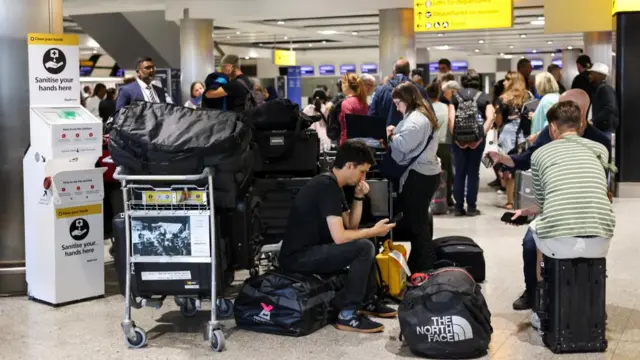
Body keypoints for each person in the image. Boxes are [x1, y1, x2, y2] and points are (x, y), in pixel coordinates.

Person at [486, 89, 611, 311]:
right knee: (529, 244)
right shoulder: (564, 139)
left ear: (581, 112)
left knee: (541, 239)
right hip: (590, 224)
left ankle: (544, 305)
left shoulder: (597, 141)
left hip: (578, 214)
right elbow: (527, 160)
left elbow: (599, 187)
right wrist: (503, 158)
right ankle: (534, 292)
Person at [511, 100, 615, 329]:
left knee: (536, 234)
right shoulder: (600, 149)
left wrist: (528, 212)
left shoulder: (540, 155)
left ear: (552, 128)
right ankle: (592, 308)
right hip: (601, 239)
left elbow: (545, 204)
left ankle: (541, 307)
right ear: (580, 124)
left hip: (560, 243)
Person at [278, 140, 397, 334]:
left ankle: (367, 301)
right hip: (298, 257)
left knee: (367, 240)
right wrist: (372, 231)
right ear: (350, 166)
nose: (363, 177)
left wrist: (358, 197)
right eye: (362, 171)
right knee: (364, 246)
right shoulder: (326, 186)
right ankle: (348, 314)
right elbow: (341, 237)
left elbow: (351, 225)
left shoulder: (334, 185)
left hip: (311, 251)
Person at [387, 82, 442, 273]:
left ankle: (425, 267)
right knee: (417, 223)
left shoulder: (416, 119)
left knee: (417, 225)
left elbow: (403, 146)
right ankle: (421, 265)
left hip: (419, 176)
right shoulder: (421, 115)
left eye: (397, 103)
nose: (396, 107)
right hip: (425, 173)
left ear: (407, 100)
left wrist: (392, 135)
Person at [449, 69, 495, 216]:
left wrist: (457, 139)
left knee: (460, 173)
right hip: (477, 140)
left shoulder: (455, 97)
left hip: (458, 141)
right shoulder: (483, 97)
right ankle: (472, 207)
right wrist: (480, 137)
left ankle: (458, 207)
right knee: (473, 173)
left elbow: (451, 120)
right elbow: (491, 117)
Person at [494, 71, 530, 210]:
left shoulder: (503, 99)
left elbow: (499, 121)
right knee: (523, 167)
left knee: (509, 167)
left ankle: (510, 201)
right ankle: (523, 199)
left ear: (513, 81)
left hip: (508, 135)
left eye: (507, 80)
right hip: (524, 135)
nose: (504, 82)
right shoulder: (529, 96)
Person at [369, 59, 429, 127]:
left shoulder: (380, 91)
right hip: (413, 135)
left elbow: (372, 117)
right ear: (409, 72)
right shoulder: (419, 90)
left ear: (393, 72)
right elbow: (429, 115)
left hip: (386, 135)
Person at [427, 83, 454, 208]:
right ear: (438, 94)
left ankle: (429, 198)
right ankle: (447, 198)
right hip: (444, 144)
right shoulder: (446, 107)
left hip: (429, 145)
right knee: (447, 172)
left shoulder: (426, 108)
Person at [338, 73, 369, 145]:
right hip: (362, 143)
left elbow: (348, 126)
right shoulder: (363, 102)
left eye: (342, 84)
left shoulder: (346, 103)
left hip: (348, 145)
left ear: (346, 85)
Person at [529, 72, 560, 144]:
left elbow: (549, 123)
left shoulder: (547, 99)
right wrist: (535, 116)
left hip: (543, 141)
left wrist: (536, 136)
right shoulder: (556, 96)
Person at [588, 63, 619, 136]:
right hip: (602, 129)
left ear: (598, 74)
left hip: (605, 130)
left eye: (592, 73)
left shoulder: (605, 89)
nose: (590, 76)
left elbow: (610, 108)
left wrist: (594, 120)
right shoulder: (599, 89)